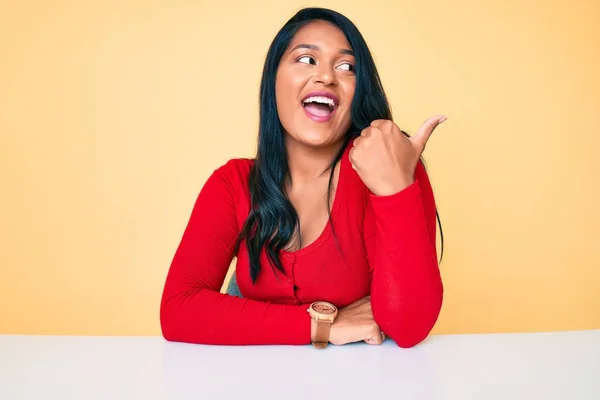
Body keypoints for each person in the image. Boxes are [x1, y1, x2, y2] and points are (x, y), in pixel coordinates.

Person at [159, 7, 446, 348]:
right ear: (274, 80)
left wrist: (395, 189)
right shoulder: (232, 183)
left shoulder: (388, 168)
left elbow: (409, 326)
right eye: (307, 60)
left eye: (346, 67)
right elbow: (178, 310)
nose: (326, 76)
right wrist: (323, 325)